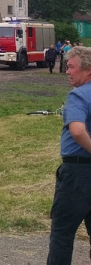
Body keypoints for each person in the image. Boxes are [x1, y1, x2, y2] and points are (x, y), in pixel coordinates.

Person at [47, 46, 91, 264]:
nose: (67, 71)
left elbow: (77, 130)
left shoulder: (78, 95)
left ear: (88, 70)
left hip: (77, 172)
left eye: (71, 67)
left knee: (62, 233)